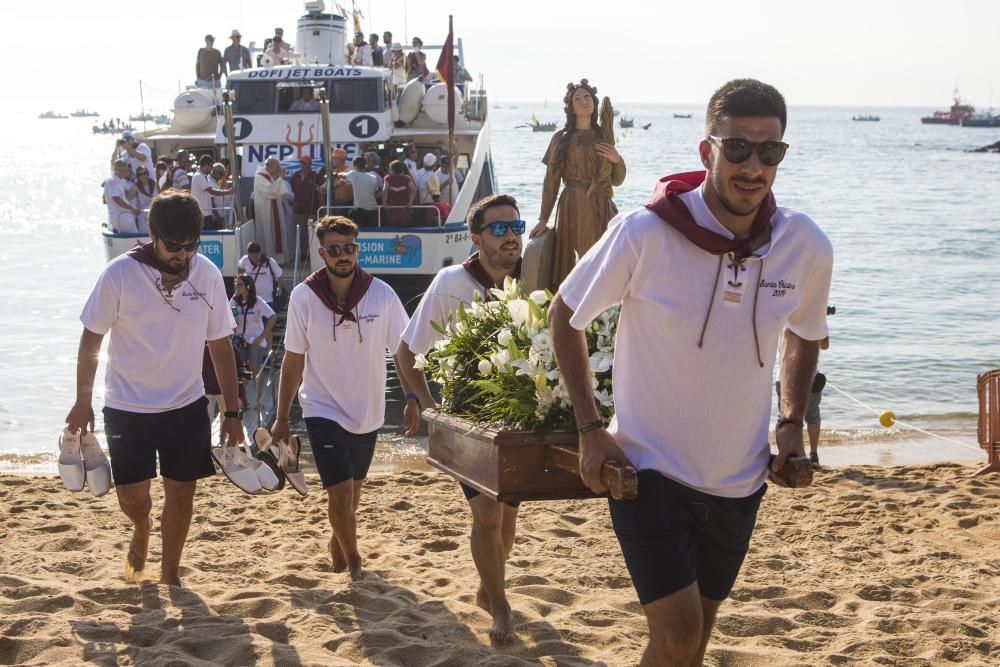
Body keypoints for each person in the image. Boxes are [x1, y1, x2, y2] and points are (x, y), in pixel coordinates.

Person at [548, 78, 833, 665]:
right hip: (648, 471)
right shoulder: (645, 233)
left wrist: (790, 421)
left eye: (769, 151)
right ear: (707, 151)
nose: (753, 166)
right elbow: (565, 313)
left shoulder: (803, 244)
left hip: (740, 479)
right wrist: (589, 427)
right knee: (677, 634)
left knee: (695, 637)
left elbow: (805, 334)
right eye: (737, 149)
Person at [66, 190, 243, 587]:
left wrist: (232, 413)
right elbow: (91, 339)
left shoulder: (208, 275)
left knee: (182, 495)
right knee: (131, 496)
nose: (183, 254)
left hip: (186, 406)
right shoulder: (119, 274)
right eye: (173, 246)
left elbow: (219, 345)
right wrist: (82, 401)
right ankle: (142, 527)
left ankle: (170, 573)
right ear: (152, 235)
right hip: (127, 407)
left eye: (191, 245)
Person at [396, 194, 526, 643]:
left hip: (520, 420)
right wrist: (428, 406)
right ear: (476, 237)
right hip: (469, 419)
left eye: (516, 226)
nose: (511, 236)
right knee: (487, 517)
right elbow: (406, 352)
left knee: (506, 521)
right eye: (499, 229)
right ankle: (501, 608)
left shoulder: (534, 279)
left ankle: (488, 591)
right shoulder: (452, 281)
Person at [270, 216, 414, 580]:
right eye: (334, 250)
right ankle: (355, 565)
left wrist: (412, 396)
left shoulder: (381, 294)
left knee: (352, 497)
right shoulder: (304, 296)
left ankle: (338, 549)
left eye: (349, 248)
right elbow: (293, 357)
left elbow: (402, 351)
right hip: (321, 408)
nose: (343, 256)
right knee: (338, 496)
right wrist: (283, 416)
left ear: (357, 249)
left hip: (368, 412)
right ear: (322, 254)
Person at [529, 80, 626, 288]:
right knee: (575, 262)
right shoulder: (561, 138)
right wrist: (543, 218)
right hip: (574, 205)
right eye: (578, 99)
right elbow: (551, 182)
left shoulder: (604, 136)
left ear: (595, 101)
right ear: (570, 107)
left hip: (602, 205)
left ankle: (604, 314)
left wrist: (616, 159)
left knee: (605, 262)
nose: (584, 102)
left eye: (587, 97)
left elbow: (617, 180)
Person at [776, 335, 830, 468]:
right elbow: (824, 344)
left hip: (783, 377)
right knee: (813, 417)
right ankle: (813, 455)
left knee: (784, 419)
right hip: (809, 376)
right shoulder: (813, 316)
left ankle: (785, 454)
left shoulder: (781, 321)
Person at [231, 275, 276, 399]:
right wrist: (232, 321)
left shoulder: (257, 301)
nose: (236, 287)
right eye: (236, 284)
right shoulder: (234, 300)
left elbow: (273, 316)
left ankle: (259, 399)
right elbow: (230, 317)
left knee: (255, 368)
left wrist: (261, 337)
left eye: (239, 285)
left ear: (248, 287)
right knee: (239, 370)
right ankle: (242, 400)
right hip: (240, 339)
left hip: (255, 340)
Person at [253, 157, 291, 263]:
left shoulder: (268, 176)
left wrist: (278, 177)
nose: (279, 169)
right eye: (277, 167)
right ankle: (270, 261)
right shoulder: (260, 176)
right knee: (268, 235)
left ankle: (278, 260)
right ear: (269, 166)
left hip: (274, 211)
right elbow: (272, 191)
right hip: (266, 212)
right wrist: (280, 178)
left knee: (275, 234)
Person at [191, 156, 234, 230]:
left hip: (206, 215)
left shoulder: (203, 176)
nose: (212, 169)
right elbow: (212, 192)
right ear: (206, 165)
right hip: (203, 216)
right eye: (211, 166)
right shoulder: (199, 176)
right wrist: (229, 191)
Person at [238, 241, 284, 309]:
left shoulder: (270, 262)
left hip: (267, 300)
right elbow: (240, 267)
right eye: (251, 256)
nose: (254, 259)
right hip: (250, 299)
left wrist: (279, 288)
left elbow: (280, 275)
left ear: (260, 253)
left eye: (256, 256)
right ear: (248, 254)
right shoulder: (245, 260)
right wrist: (241, 280)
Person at [291, 156, 322, 248]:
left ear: (309, 165)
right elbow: (290, 192)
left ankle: (311, 254)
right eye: (301, 163)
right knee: (300, 233)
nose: (302, 165)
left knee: (312, 233)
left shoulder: (315, 176)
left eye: (304, 163)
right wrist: (293, 203)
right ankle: (302, 254)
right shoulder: (295, 176)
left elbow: (320, 193)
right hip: (298, 210)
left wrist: (320, 208)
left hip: (312, 210)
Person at [104, 159, 139, 233]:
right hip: (120, 218)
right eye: (120, 170)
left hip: (126, 216)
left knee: (136, 237)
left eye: (124, 170)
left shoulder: (119, 181)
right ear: (114, 169)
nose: (122, 173)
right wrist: (132, 208)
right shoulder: (112, 181)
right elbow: (116, 199)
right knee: (132, 238)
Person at [345, 156, 380, 227]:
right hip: (373, 209)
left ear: (354, 165)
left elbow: (343, 176)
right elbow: (376, 193)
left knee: (358, 233)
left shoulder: (353, 174)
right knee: (373, 233)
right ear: (365, 165)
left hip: (359, 210)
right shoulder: (373, 177)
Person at [382, 160, 415, 226]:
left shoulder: (387, 178)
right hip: (405, 211)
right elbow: (413, 190)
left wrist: (384, 203)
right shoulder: (407, 178)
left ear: (392, 170)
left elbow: (384, 191)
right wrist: (410, 202)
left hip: (392, 211)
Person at [134, 164, 158, 233]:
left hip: (155, 212)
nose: (143, 175)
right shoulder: (136, 187)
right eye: (140, 174)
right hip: (143, 214)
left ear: (147, 173)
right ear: (138, 176)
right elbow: (126, 197)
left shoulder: (155, 183)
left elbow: (160, 196)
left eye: (144, 173)